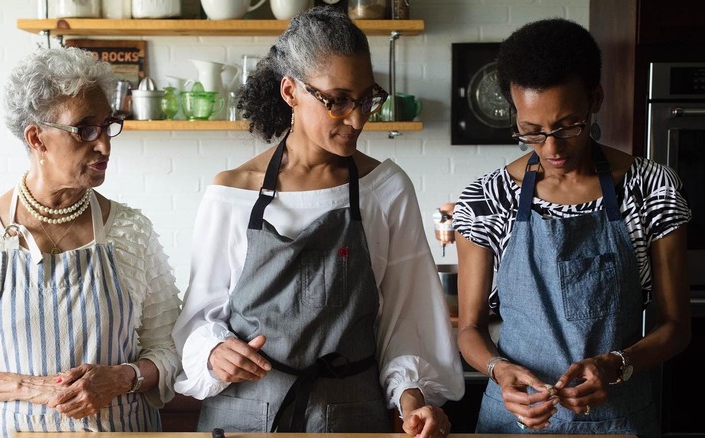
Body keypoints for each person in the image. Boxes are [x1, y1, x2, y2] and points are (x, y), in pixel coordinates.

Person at [172, 6, 464, 436]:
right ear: (290, 92)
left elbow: (408, 324)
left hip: (349, 418)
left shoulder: (384, 189)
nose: (358, 118)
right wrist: (214, 352)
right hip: (243, 419)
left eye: (366, 98)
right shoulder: (233, 193)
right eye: (338, 100)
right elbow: (197, 320)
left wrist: (411, 401)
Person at [452, 18, 692, 438]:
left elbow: (676, 327)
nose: (551, 148)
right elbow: (470, 327)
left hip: (620, 420)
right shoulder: (487, 198)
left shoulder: (651, 187)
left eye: (567, 126)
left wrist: (618, 363)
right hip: (514, 421)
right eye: (531, 132)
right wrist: (498, 369)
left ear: (595, 99)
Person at [0, 47, 182, 436]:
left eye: (108, 125)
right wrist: (33, 388)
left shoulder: (131, 232)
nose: (104, 146)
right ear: (37, 138)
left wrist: (119, 378)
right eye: (84, 129)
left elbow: (171, 350)